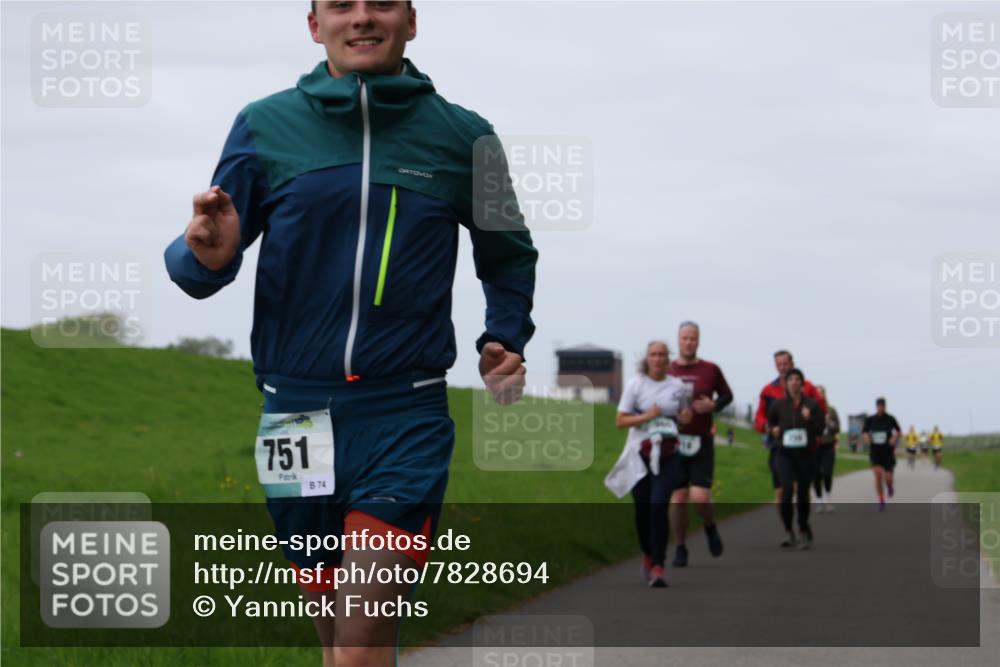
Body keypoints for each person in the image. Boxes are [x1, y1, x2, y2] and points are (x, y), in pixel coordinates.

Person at [164, 3, 537, 665]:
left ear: (411, 21)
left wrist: (503, 336)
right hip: (294, 419)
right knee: (336, 638)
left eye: (381, 3)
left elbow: (508, 256)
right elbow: (200, 261)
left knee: (361, 642)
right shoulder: (264, 126)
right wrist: (205, 256)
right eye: (341, 4)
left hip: (403, 415)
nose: (362, 18)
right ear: (315, 25)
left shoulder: (465, 137)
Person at [605, 341, 693, 588]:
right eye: (653, 354)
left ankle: (658, 565)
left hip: (668, 455)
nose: (657, 359)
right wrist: (648, 416)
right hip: (639, 455)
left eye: (662, 354)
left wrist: (685, 418)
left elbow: (684, 417)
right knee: (643, 511)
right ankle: (647, 553)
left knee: (658, 506)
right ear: (647, 358)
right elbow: (620, 421)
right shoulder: (636, 384)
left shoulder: (677, 386)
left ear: (668, 359)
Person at [666, 321, 733, 567]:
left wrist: (714, 405)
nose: (689, 342)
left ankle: (710, 525)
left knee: (700, 496)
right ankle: (680, 547)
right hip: (674, 442)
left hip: (701, 441)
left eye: (693, 338)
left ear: (699, 341)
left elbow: (727, 395)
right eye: (685, 338)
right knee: (678, 498)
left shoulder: (710, 369)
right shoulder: (668, 370)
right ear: (678, 339)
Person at [754, 350, 827, 506]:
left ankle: (800, 514)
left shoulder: (808, 388)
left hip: (804, 448)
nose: (782, 367)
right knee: (781, 491)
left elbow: (821, 410)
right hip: (779, 446)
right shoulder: (768, 390)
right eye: (779, 364)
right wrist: (768, 427)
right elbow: (759, 417)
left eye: (785, 363)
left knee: (799, 488)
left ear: (792, 364)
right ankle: (786, 520)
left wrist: (813, 423)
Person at [767, 368, 824, 549]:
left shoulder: (812, 405)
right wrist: (773, 430)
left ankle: (803, 528)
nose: (794, 382)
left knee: (802, 494)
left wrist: (809, 418)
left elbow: (820, 429)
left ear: (802, 383)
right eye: (790, 379)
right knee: (786, 492)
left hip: (806, 455)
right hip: (785, 454)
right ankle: (788, 531)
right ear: (786, 383)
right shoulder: (778, 405)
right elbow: (770, 423)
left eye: (797, 379)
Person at [863, 398, 902, 511]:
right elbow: (864, 431)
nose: (881, 408)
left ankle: (889, 486)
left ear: (885, 407)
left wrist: (894, 438)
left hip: (887, 452)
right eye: (879, 406)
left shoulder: (890, 419)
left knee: (888, 478)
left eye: (883, 406)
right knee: (878, 474)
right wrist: (867, 438)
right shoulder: (870, 419)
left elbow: (898, 431)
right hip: (875, 451)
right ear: (876, 407)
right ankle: (881, 499)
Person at [812, 385, 839, 512]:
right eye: (817, 393)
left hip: (828, 445)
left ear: (824, 394)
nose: (819, 395)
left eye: (821, 393)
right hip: (815, 446)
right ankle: (818, 500)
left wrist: (829, 422)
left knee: (827, 473)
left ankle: (827, 498)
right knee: (816, 474)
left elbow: (837, 428)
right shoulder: (811, 409)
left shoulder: (831, 410)